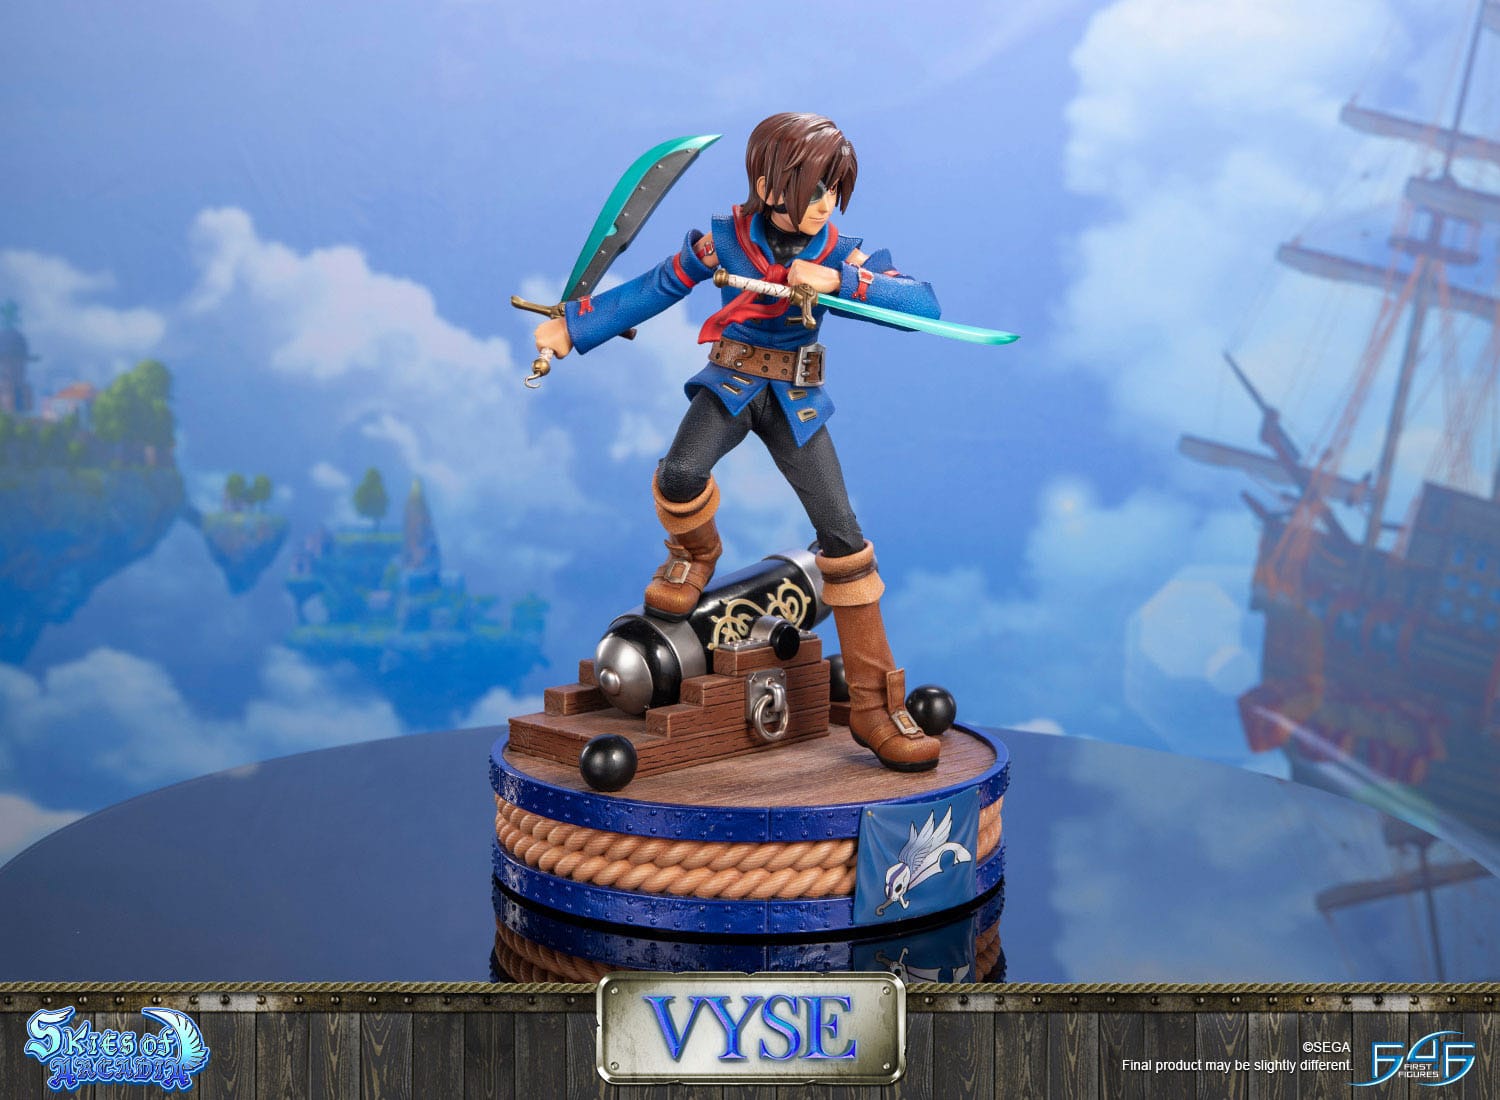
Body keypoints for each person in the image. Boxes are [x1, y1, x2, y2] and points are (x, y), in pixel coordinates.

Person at [533, 112, 943, 772]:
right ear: (769, 185)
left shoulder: (840, 252)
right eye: (814, 189)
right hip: (730, 383)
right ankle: (695, 553)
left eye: (833, 191)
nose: (825, 205)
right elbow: (657, 286)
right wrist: (574, 329)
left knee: (843, 540)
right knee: (678, 476)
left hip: (796, 403)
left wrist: (842, 282)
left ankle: (873, 705)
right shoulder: (723, 243)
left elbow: (924, 307)